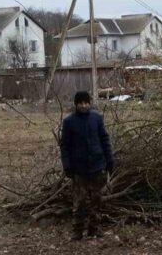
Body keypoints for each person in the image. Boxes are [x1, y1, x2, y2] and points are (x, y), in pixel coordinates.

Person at [60, 91, 114, 241]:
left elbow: (104, 139)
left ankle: (94, 229)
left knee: (96, 201)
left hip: (97, 166)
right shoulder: (69, 122)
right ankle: (77, 231)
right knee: (80, 202)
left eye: (86, 102)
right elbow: (65, 146)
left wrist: (109, 161)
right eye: (80, 103)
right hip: (79, 169)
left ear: (89, 103)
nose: (84, 106)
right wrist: (67, 165)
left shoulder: (97, 118)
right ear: (76, 104)